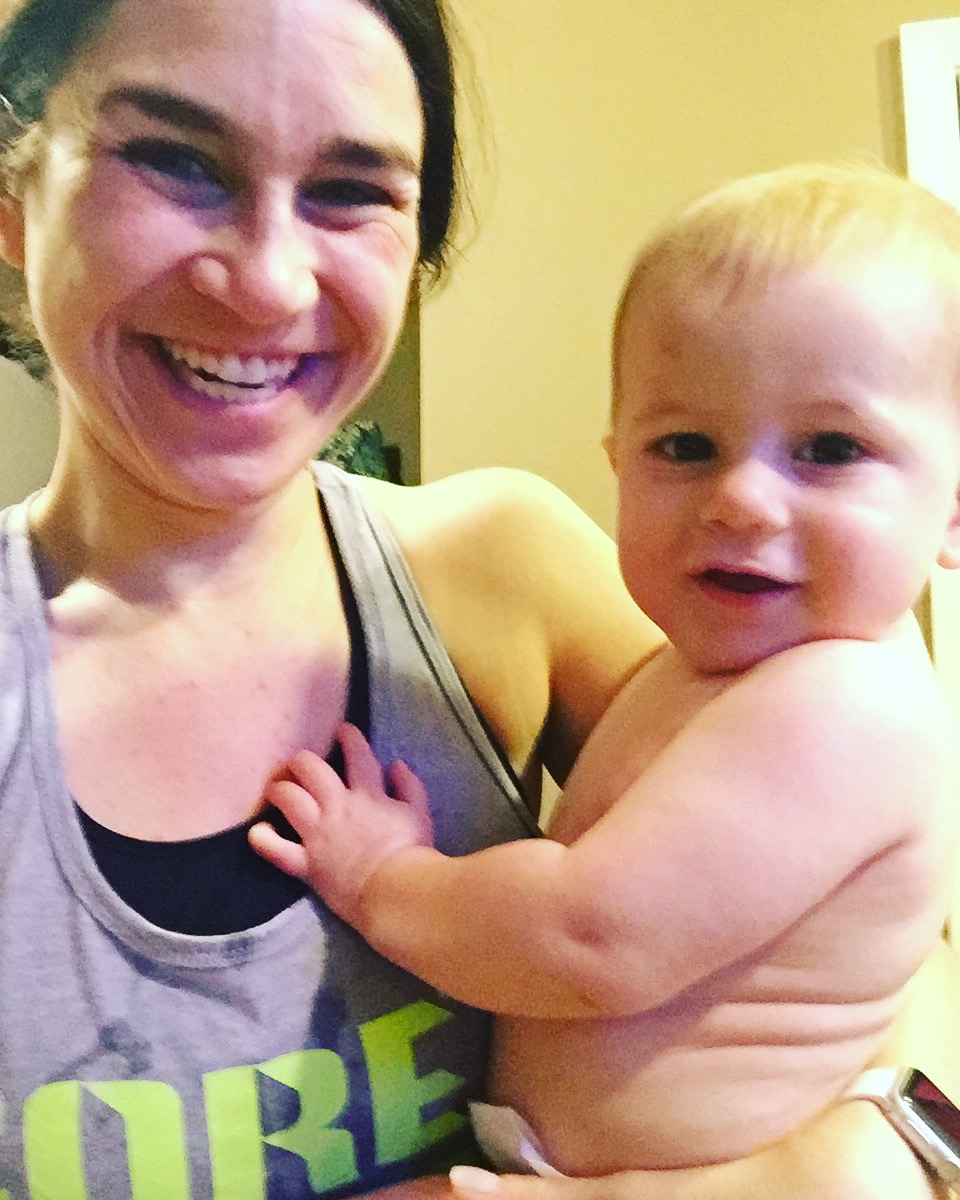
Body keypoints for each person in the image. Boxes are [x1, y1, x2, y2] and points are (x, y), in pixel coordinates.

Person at [0, 0, 956, 1194]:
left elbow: (860, 945)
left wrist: (880, 1155)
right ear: (14, 200)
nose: (267, 280)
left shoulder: (511, 569)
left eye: (350, 190)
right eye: (176, 160)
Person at [251, 162, 960, 1183]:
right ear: (618, 460)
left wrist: (384, 880)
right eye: (686, 445)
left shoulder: (845, 703)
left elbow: (589, 939)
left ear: (953, 509)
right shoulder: (723, 668)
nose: (742, 499)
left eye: (831, 448)